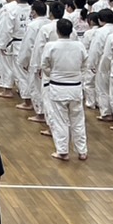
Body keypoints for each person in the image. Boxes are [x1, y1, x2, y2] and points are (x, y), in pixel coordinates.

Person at [39, 19, 90, 162]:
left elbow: (44, 65)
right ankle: (82, 151)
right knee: (78, 120)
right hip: (75, 87)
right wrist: (78, 76)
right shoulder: (79, 46)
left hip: (58, 86)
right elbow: (85, 64)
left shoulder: (51, 46)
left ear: (57, 31)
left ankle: (62, 151)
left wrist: (53, 74)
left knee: (60, 120)